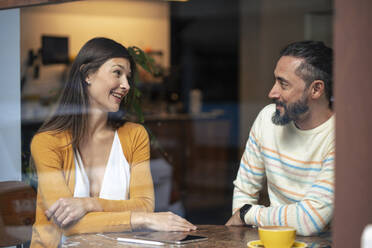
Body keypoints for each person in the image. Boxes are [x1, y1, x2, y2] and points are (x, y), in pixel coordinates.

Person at [30, 37, 196, 248]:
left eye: (128, 77)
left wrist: (88, 204)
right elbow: (66, 223)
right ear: (88, 74)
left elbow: (144, 205)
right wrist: (140, 219)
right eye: (117, 73)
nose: (126, 85)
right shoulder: (47, 142)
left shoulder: (135, 135)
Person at [226, 41, 334, 236]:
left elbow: (309, 220)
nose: (272, 92)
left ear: (316, 90)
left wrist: (247, 214)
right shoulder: (266, 120)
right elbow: (244, 192)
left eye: (283, 84)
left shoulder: (341, 137)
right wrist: (244, 214)